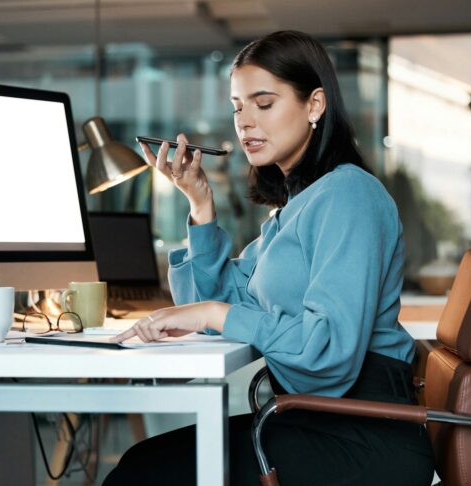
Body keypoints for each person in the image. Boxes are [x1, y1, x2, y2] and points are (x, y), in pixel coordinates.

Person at [104, 30, 434, 485]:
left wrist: (216, 312)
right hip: (314, 419)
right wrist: (200, 205)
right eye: (238, 107)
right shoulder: (296, 207)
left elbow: (329, 356)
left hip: (362, 436)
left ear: (315, 105)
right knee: (140, 464)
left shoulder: (348, 195)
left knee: (142, 475)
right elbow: (215, 301)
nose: (245, 123)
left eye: (264, 103)